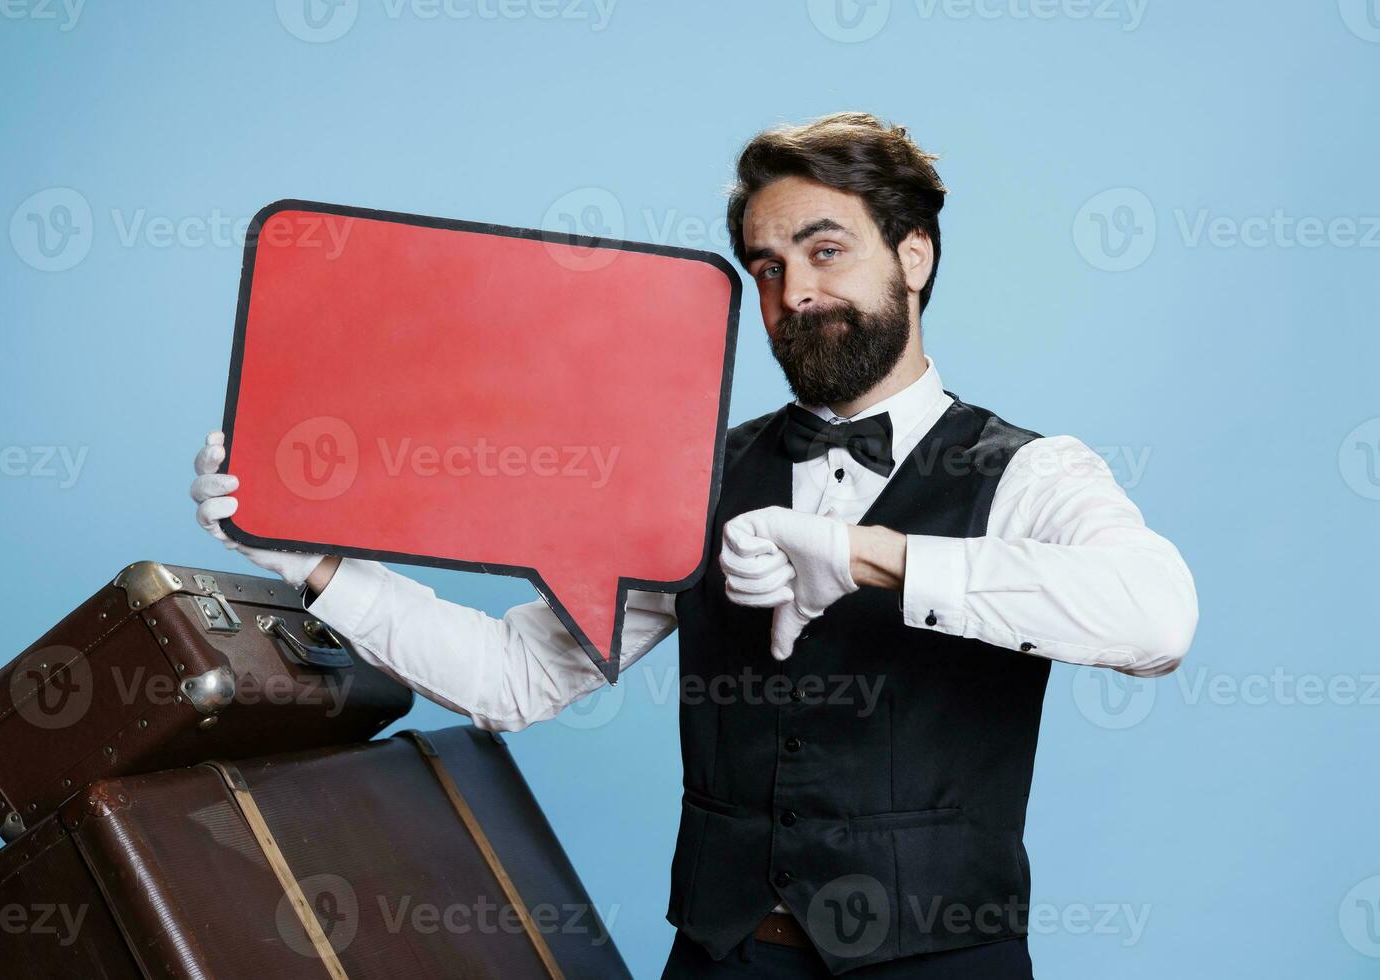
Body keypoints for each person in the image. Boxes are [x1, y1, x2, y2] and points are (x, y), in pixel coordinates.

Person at [191, 112, 1198, 978]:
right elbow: (511, 679)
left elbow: (1157, 618)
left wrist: (865, 553)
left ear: (916, 255)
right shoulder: (692, 477)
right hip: (727, 954)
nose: (794, 292)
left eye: (826, 249)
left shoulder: (1031, 470)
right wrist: (313, 561)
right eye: (768, 266)